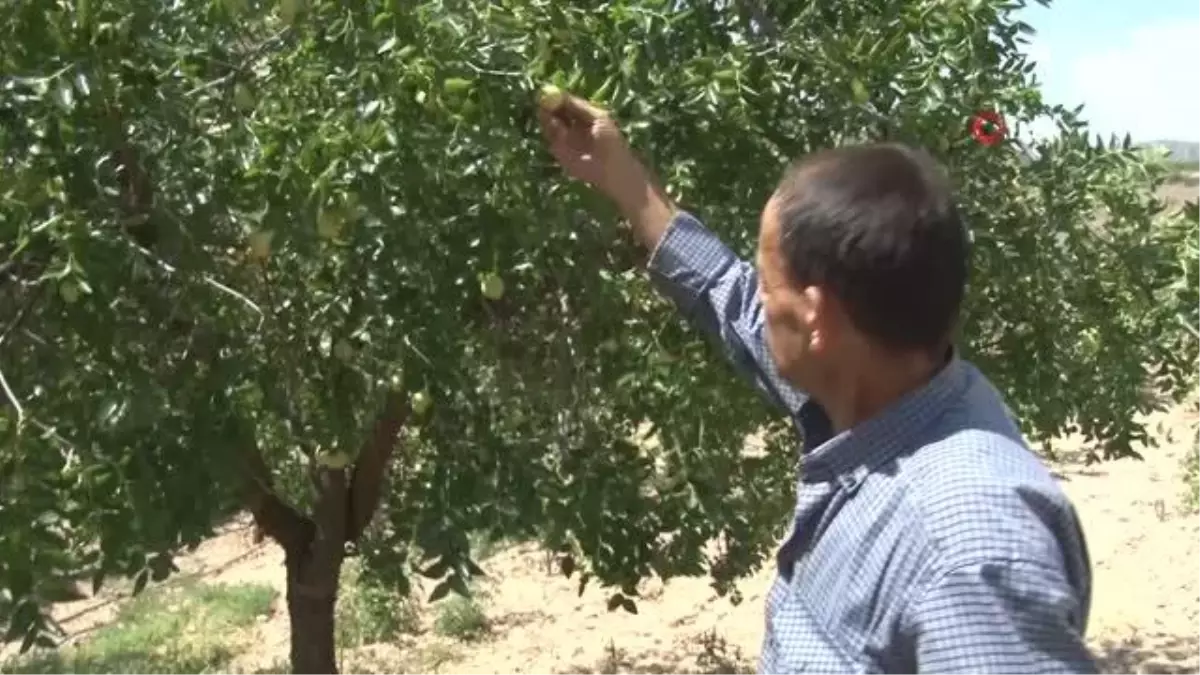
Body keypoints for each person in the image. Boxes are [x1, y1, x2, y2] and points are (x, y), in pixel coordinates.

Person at [537, 94, 1097, 674]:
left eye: (766, 281)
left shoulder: (967, 548)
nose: (756, 298)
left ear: (815, 319)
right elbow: (724, 296)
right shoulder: (875, 390)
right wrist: (620, 176)